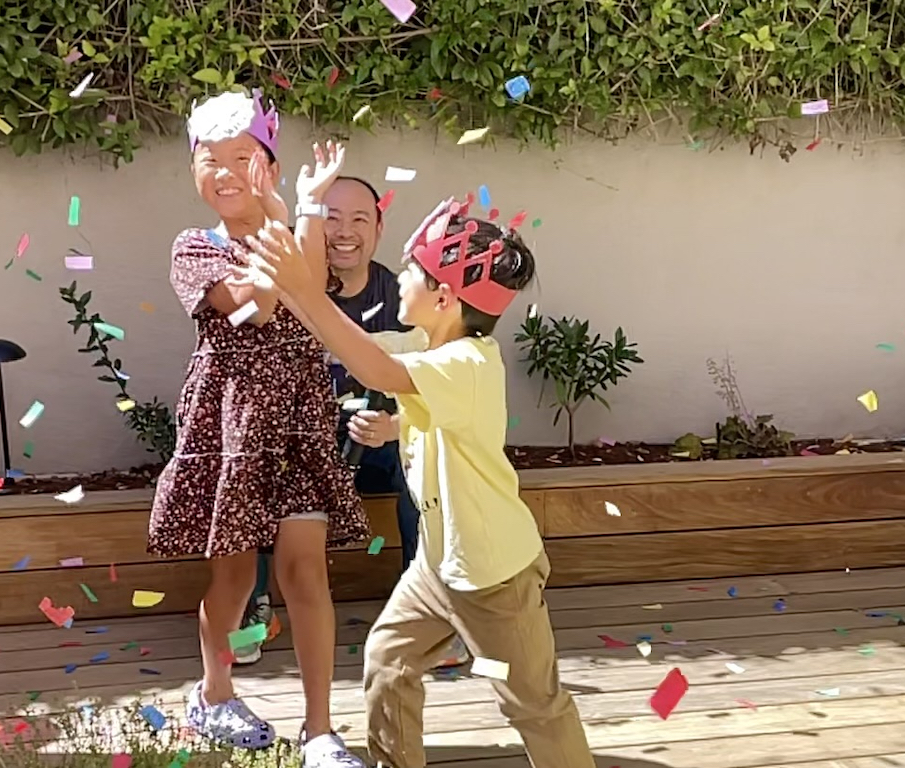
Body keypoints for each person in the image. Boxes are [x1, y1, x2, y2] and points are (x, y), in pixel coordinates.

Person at [234, 188, 594, 768]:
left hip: (492, 576)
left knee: (533, 705)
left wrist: (301, 286)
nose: (398, 279)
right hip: (438, 562)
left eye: (412, 271)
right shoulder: (433, 343)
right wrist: (292, 256)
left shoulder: (466, 360)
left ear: (445, 298)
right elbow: (345, 347)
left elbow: (373, 366)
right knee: (387, 662)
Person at [147, 89, 369, 768]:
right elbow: (258, 305)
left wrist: (298, 207)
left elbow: (308, 283)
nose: (224, 172)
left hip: (300, 421)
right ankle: (214, 694)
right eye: (209, 161)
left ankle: (321, 732)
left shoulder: (293, 220)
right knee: (236, 577)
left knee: (306, 574)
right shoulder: (194, 249)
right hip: (231, 422)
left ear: (268, 164)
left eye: (242, 157)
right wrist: (280, 218)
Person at [236, 176, 469, 670]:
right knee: (253, 467)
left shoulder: (405, 298)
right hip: (300, 453)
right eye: (330, 218)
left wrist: (398, 426)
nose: (343, 231)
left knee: (429, 462)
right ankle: (252, 608)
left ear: (379, 228)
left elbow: (436, 387)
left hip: (378, 447)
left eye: (359, 219)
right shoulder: (288, 288)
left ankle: (427, 615)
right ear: (310, 225)